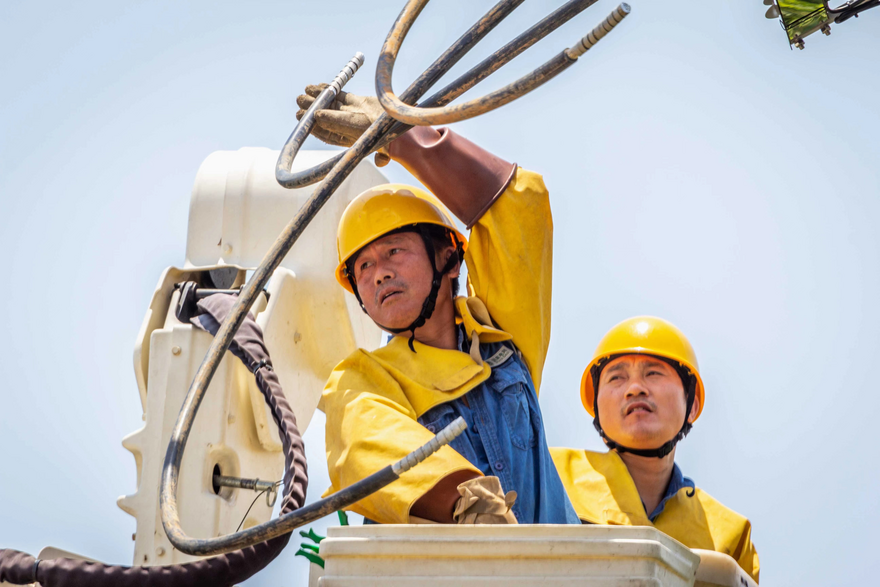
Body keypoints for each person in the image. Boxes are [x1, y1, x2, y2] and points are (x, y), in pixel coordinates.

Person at [297, 85, 579, 525]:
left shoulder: (502, 340)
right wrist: (469, 505)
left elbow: (519, 203)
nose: (379, 273)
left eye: (394, 251)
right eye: (363, 267)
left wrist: (403, 137)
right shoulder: (364, 381)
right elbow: (363, 444)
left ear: (447, 257)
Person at [550, 316, 760, 582]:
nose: (635, 388)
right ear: (597, 408)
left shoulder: (731, 534)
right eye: (616, 377)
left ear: (692, 404)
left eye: (653, 373)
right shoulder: (549, 474)